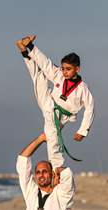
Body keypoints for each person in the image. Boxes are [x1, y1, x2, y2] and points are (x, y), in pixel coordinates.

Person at [15, 35, 95, 169]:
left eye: (68, 69)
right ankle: (25, 50)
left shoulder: (83, 89)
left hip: (60, 116)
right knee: (39, 77)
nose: (64, 72)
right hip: (48, 102)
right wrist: (32, 47)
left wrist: (82, 131)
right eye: (63, 68)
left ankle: (57, 168)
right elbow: (46, 63)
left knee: (52, 139)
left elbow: (90, 109)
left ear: (77, 69)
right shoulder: (59, 75)